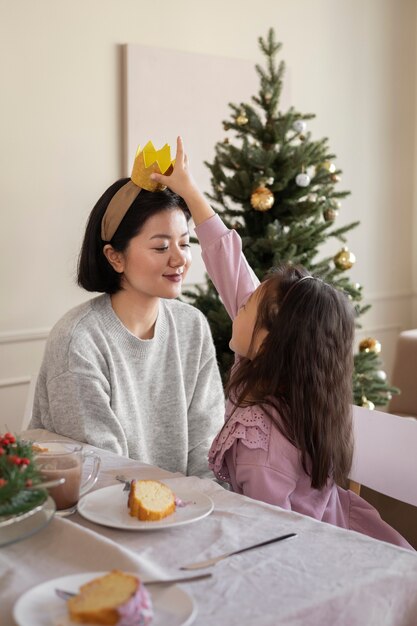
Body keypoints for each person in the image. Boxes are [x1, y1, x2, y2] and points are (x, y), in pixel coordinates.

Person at [151, 136, 413, 549]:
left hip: (304, 545)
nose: (238, 303)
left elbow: (272, 539)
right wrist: (188, 189)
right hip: (303, 524)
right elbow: (229, 264)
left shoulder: (263, 452)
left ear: (272, 340)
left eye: (247, 304)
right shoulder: (272, 362)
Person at [30, 147, 225, 478]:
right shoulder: (78, 340)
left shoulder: (192, 326)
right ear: (115, 257)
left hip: (185, 513)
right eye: (161, 247)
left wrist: (210, 506)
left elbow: (206, 446)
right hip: (97, 515)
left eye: (185, 243)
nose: (179, 259)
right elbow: (102, 470)